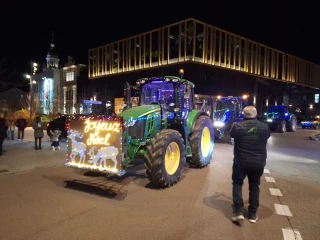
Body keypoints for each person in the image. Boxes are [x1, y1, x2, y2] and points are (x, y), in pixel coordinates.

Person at [229, 106, 270, 224]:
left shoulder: (238, 127)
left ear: (243, 115)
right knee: (254, 186)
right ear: (256, 115)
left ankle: (238, 212)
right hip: (258, 162)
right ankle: (252, 214)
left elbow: (232, 135)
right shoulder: (264, 127)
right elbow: (266, 137)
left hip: (241, 162)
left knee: (237, 183)